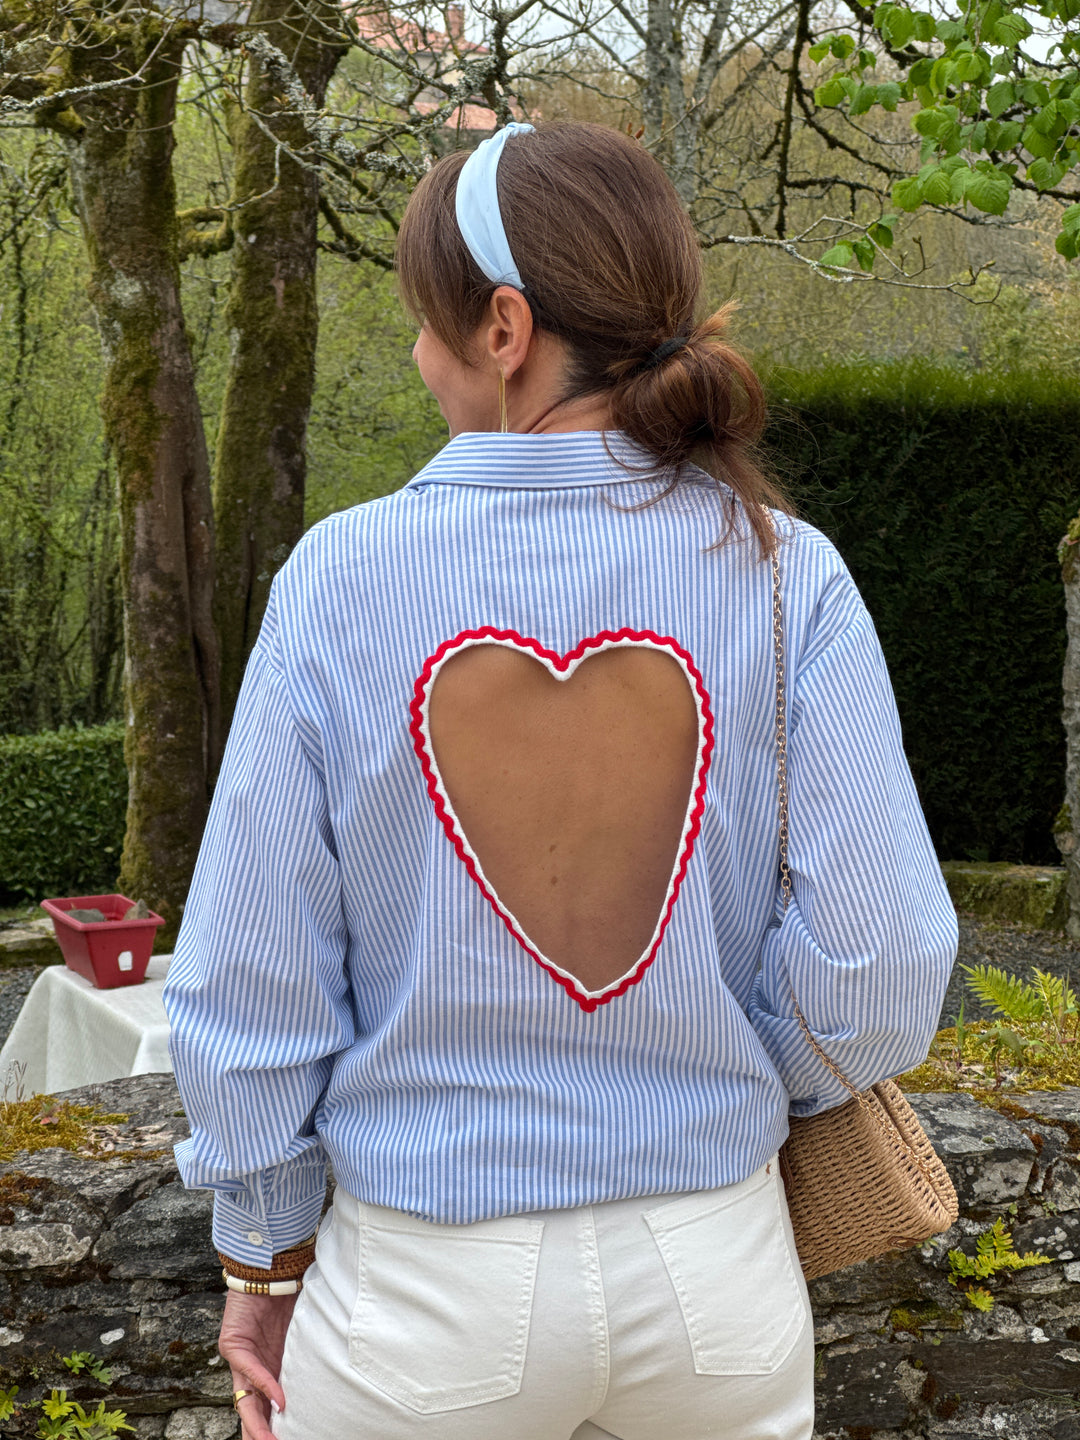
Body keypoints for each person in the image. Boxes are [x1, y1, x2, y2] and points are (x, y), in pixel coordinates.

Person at [163, 120, 957, 1440]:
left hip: (425, 1292)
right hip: (718, 1285)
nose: (418, 354)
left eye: (426, 319)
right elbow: (877, 965)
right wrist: (714, 1077)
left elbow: (251, 985)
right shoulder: (782, 569)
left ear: (505, 329)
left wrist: (260, 1253)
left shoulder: (341, 582)